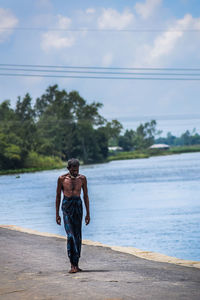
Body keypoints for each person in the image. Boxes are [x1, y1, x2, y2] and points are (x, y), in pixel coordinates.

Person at [56, 158, 90, 273]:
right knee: (70, 235)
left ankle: (76, 264)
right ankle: (72, 264)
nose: (75, 172)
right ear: (68, 168)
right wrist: (57, 214)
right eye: (73, 170)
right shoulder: (61, 179)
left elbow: (86, 196)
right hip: (66, 207)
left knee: (77, 235)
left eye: (77, 170)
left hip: (78, 207)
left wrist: (88, 214)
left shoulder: (83, 179)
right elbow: (58, 197)